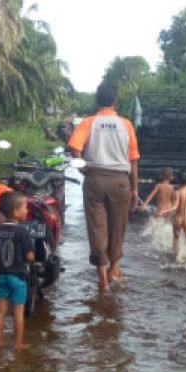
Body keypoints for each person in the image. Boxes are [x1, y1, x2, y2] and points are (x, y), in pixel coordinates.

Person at [67, 83, 140, 291]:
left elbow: (74, 148)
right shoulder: (126, 124)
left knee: (97, 227)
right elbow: (133, 160)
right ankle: (114, 268)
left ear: (97, 101)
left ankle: (102, 276)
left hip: (95, 179)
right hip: (120, 180)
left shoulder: (89, 122)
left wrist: (82, 168)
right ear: (115, 101)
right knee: (118, 226)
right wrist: (134, 189)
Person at [0, 191, 36, 352]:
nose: (27, 210)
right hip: (18, 277)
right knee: (18, 312)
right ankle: (18, 344)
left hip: (1, 276)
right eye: (25, 207)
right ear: (15, 212)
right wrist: (30, 257)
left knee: (1, 310)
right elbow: (30, 257)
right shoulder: (23, 231)